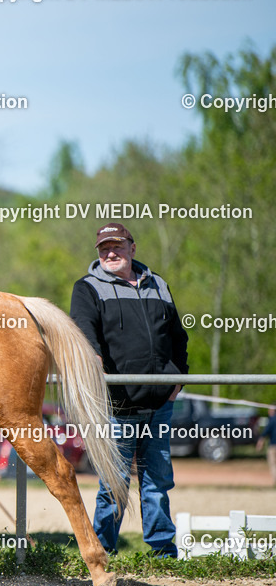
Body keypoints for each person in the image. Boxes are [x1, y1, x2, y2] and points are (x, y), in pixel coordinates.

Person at [70, 223, 189, 558]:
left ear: (132, 249)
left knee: (158, 482)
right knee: (113, 484)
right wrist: (94, 366)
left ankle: (163, 553)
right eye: (104, 248)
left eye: (117, 247)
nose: (110, 253)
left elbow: (178, 337)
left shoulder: (159, 285)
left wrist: (179, 376)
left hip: (160, 403)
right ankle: (101, 552)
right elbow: (83, 335)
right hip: (116, 405)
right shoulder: (88, 288)